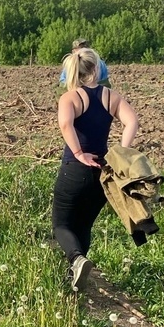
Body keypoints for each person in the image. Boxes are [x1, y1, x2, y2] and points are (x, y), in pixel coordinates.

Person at [52, 47, 139, 292]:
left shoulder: (70, 98)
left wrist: (79, 153)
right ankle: (76, 276)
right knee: (84, 225)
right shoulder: (112, 96)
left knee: (61, 225)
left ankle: (77, 261)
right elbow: (132, 121)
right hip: (102, 171)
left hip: (74, 169)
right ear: (95, 69)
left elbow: (65, 124)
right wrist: (120, 153)